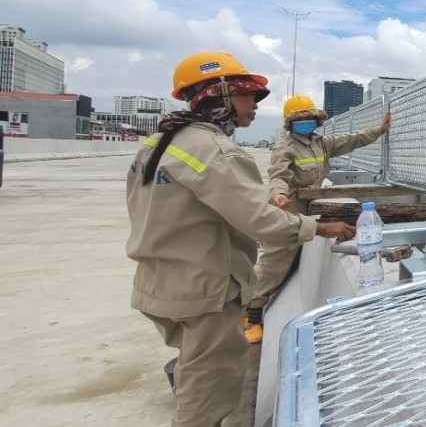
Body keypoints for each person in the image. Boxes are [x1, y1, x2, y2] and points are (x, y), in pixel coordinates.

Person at [125, 52, 356, 427]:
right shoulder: (216, 151)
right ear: (222, 95)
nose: (255, 105)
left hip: (158, 282)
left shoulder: (158, 144)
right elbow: (258, 221)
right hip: (204, 288)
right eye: (249, 96)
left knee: (193, 370)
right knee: (208, 396)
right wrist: (318, 228)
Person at [242, 95, 391, 344]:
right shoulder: (286, 146)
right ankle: (252, 314)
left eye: (311, 118)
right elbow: (277, 174)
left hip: (310, 205)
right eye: (302, 119)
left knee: (287, 265)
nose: (308, 123)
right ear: (291, 123)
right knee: (275, 261)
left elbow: (352, 140)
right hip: (289, 207)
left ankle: (255, 308)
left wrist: (380, 130)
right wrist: (278, 194)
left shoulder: (320, 143)